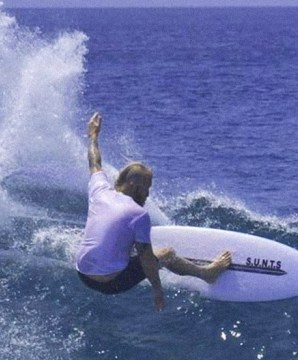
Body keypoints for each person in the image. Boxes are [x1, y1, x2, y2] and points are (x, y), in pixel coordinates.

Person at [74, 112, 231, 311]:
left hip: (82, 274)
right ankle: (207, 273)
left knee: (123, 239)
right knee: (165, 253)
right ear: (134, 185)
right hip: (108, 283)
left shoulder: (99, 191)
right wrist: (157, 290)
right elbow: (148, 260)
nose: (148, 194)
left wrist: (93, 136)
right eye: (147, 187)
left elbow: (94, 162)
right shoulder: (138, 214)